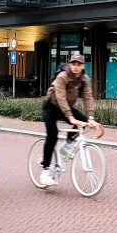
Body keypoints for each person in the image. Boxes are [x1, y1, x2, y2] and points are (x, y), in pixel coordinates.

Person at [40, 53, 97, 186]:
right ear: (69, 65)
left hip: (66, 108)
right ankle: (45, 171)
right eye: (73, 64)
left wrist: (91, 117)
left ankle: (65, 146)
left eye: (79, 65)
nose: (76, 67)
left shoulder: (84, 79)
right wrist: (70, 117)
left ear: (83, 66)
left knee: (82, 121)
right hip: (52, 107)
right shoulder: (62, 77)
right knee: (52, 135)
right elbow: (60, 97)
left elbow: (88, 97)